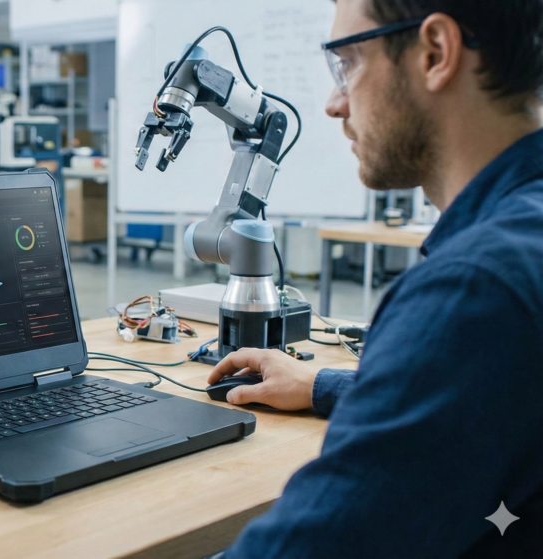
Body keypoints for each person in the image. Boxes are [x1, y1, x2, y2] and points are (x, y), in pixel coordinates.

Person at [209, 0, 543, 556]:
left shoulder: (475, 290)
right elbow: (478, 394)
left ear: (436, 52)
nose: (334, 103)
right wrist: (322, 385)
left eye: (348, 63)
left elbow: (311, 546)